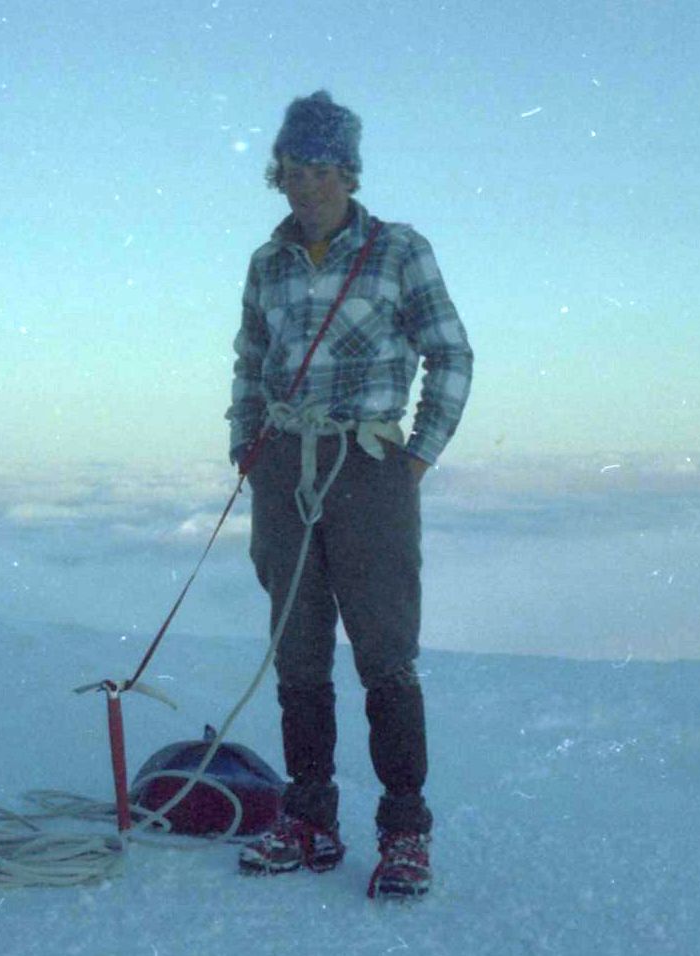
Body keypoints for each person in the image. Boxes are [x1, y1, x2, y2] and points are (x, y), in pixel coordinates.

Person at [226, 91, 472, 898]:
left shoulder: (398, 250)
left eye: (320, 169)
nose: (305, 185)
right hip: (282, 463)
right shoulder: (267, 262)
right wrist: (246, 443)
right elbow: (248, 359)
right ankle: (309, 818)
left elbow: (452, 354)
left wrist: (416, 457)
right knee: (297, 652)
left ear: (348, 171)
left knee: (384, 656)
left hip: (367, 465)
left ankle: (406, 833)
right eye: (292, 170)